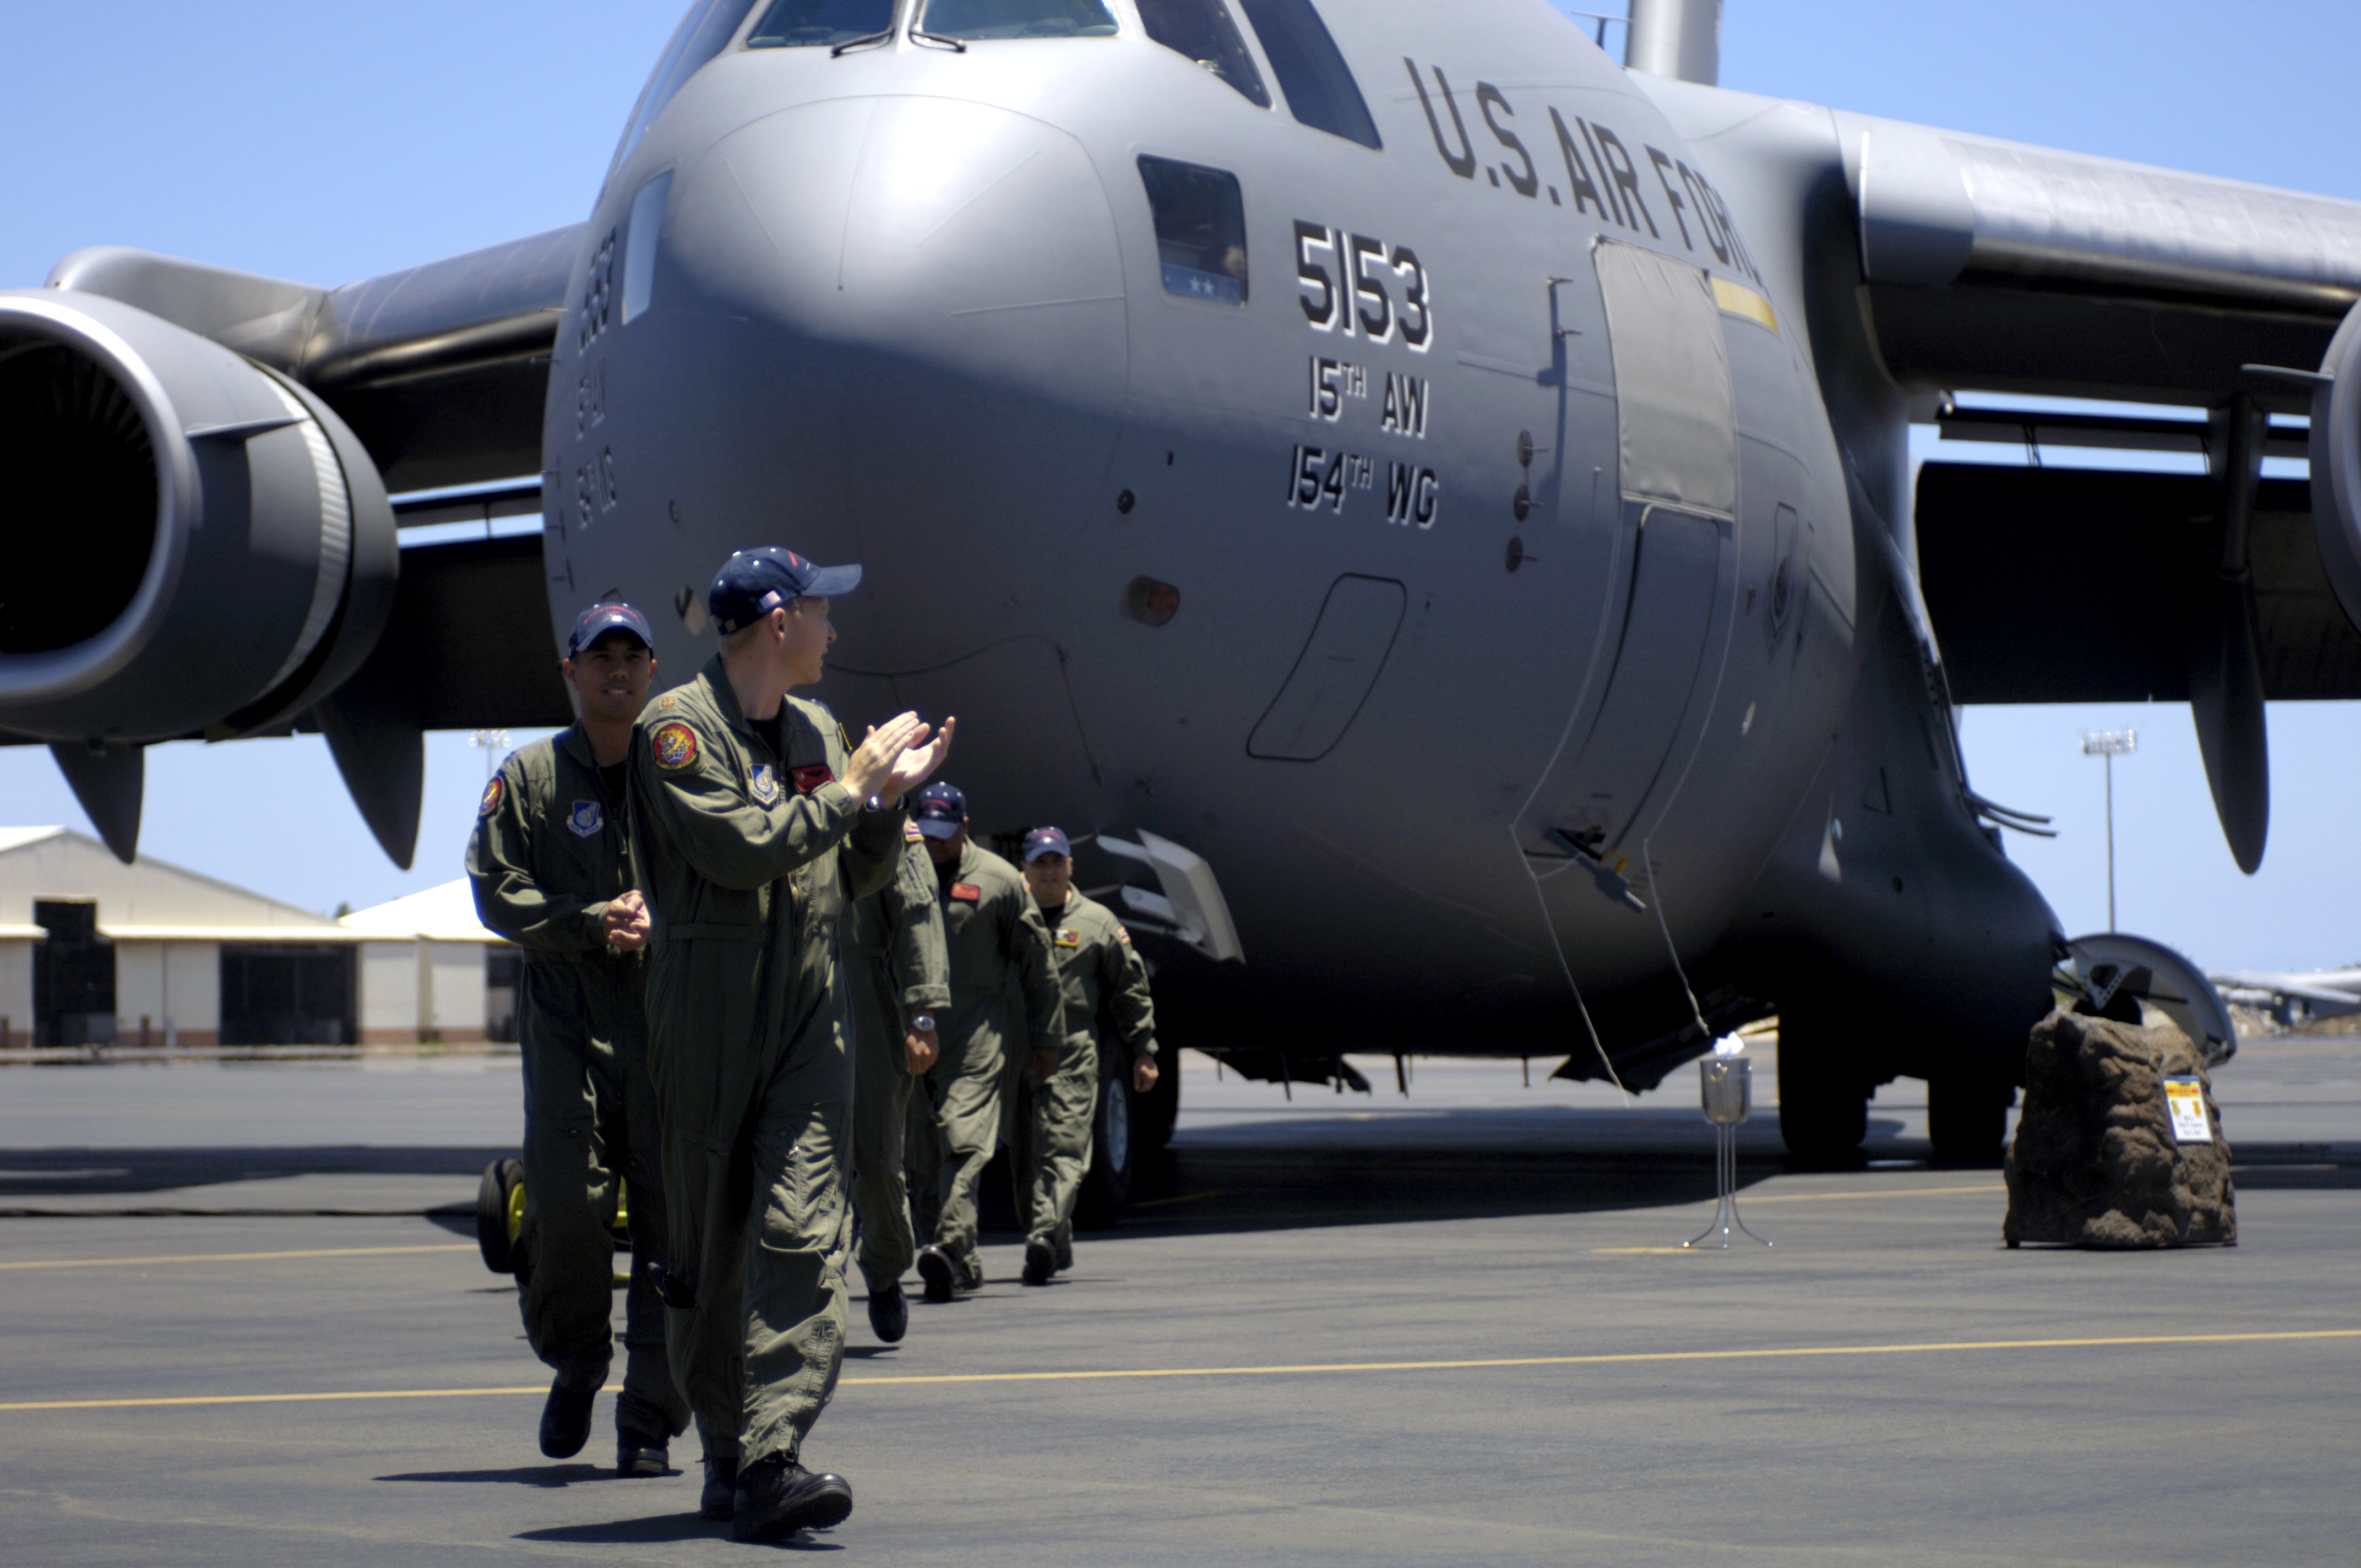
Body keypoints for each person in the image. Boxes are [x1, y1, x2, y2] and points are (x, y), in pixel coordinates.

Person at [629, 548, 952, 1542]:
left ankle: (772, 1455)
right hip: (708, 1020)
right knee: (706, 1256)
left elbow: (852, 874)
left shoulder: (819, 730)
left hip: (809, 1017)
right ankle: (726, 1454)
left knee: (807, 1232)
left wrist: (886, 798)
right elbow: (739, 849)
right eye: (821, 611)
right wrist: (848, 795)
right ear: (778, 621)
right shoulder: (674, 730)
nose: (835, 630)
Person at [465, 601, 690, 1474]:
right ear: (572, 673)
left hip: (667, 1023)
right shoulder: (526, 779)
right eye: (602, 658)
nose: (620, 671)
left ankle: (649, 1420)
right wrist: (592, 923)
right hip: (568, 1025)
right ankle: (578, 1359)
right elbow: (495, 889)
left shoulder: (680, 774)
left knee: (674, 1226)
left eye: (635, 656)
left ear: (653, 671)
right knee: (566, 1213)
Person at [903, 782, 1064, 1303]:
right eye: (926, 836)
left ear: (965, 827)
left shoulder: (998, 882)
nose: (934, 846)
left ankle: (948, 1247)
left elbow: (1038, 964)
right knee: (922, 1159)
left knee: (965, 1142)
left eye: (944, 838)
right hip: (912, 1036)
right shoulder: (898, 872)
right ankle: (959, 1261)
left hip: (976, 1037)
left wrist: (1045, 1038)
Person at [1009, 826, 1161, 1284]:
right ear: (1026, 868)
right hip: (1021, 1047)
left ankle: (1042, 1234)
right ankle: (1055, 1240)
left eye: (1057, 862)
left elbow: (1129, 990)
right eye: (1040, 863)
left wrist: (1144, 1050)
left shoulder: (1098, 923)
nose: (1049, 871)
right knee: (1026, 1157)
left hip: (1074, 1047)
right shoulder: (1008, 917)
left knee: (1066, 1147)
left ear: (1071, 866)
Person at [844, 824, 947, 1343]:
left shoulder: (878, 813)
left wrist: (922, 1013)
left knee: (878, 1161)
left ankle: (883, 1273)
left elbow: (917, 911)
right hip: (787, 989)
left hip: (866, 1000)